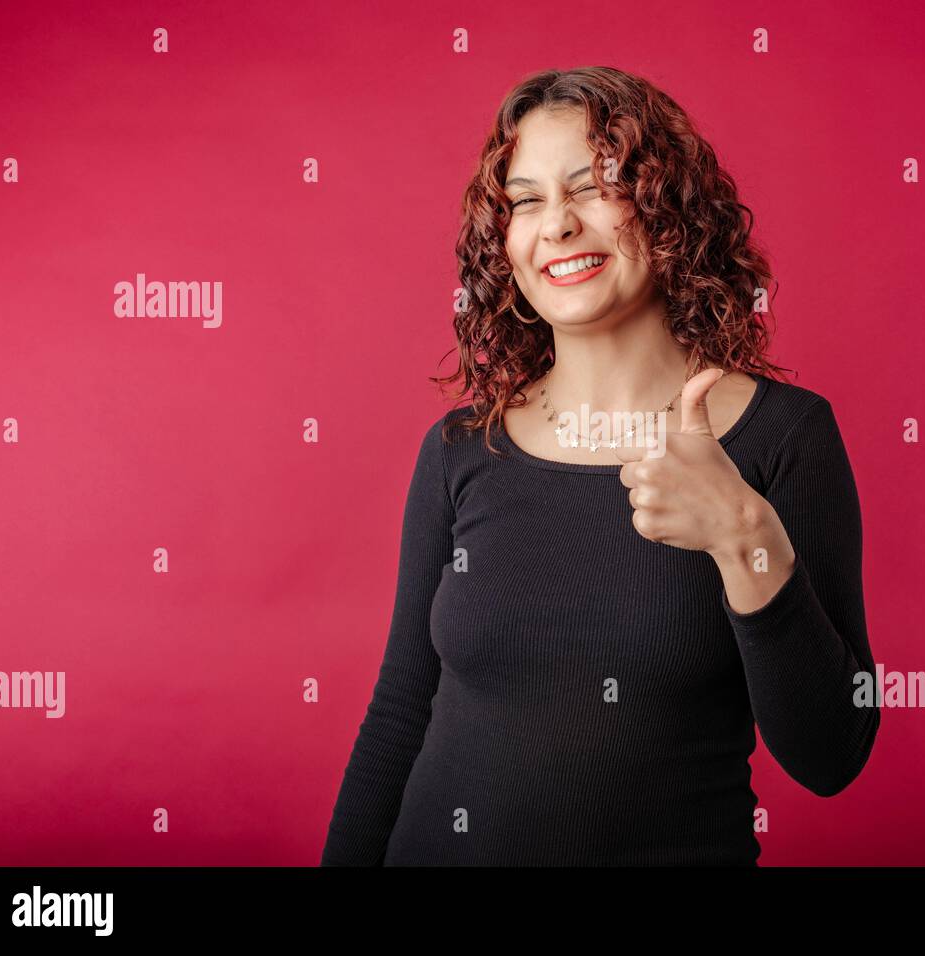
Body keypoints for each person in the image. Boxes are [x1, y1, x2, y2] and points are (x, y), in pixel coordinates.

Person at [321, 66, 879, 866]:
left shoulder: (782, 438)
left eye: (593, 187)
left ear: (664, 210)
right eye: (525, 200)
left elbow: (833, 755)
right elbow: (401, 712)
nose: (556, 226)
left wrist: (745, 536)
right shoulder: (459, 450)